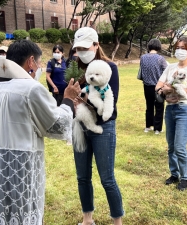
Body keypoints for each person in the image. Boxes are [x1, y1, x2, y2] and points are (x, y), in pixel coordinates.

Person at [0, 39, 81, 224]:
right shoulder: (29, 89)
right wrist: (67, 100)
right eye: (40, 63)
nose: (40, 67)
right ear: (31, 61)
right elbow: (57, 125)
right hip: (14, 169)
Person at [72, 27, 123, 225]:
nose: (81, 52)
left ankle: (117, 221)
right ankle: (87, 219)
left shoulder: (110, 68)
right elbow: (68, 97)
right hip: (80, 125)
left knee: (107, 178)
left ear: (96, 45)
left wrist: (82, 98)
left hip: (104, 128)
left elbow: (112, 100)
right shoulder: (75, 68)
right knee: (82, 177)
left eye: (85, 48)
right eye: (78, 49)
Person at [155, 36, 187, 191]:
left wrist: (171, 88)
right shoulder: (170, 67)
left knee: (180, 146)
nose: (180, 51)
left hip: (184, 109)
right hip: (170, 109)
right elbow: (158, 85)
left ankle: (185, 178)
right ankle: (174, 174)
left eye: (183, 48)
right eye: (178, 48)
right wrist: (163, 89)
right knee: (171, 146)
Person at [140, 38, 167, 134]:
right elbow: (166, 71)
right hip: (158, 86)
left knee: (149, 106)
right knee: (159, 107)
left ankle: (148, 126)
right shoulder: (161, 59)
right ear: (159, 47)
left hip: (147, 86)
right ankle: (157, 128)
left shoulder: (143, 57)